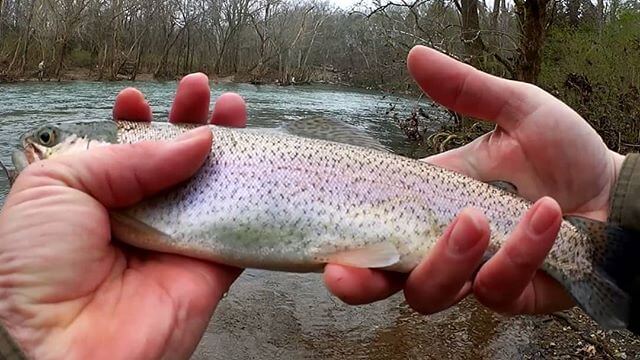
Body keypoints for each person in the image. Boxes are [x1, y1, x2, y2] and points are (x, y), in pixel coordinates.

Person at [0, 45, 634, 358]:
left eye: (51, 141)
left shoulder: (138, 148)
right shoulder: (98, 201)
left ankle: (597, 254)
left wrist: (613, 189)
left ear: (101, 145)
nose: (35, 149)